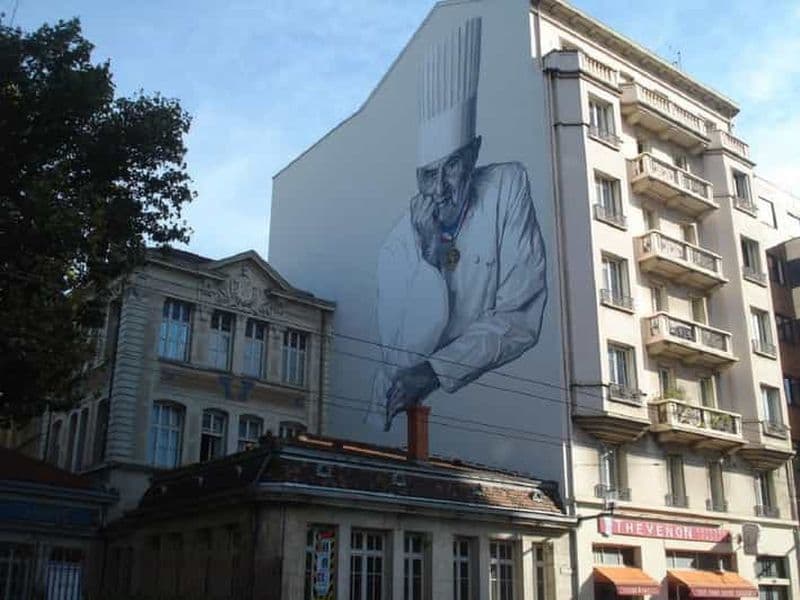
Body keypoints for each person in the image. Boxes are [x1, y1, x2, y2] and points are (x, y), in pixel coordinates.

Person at [374, 16, 548, 430]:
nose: (439, 188)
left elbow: (520, 318)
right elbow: (401, 356)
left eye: (451, 166)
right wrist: (430, 261)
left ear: (474, 155)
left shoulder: (507, 184)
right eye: (426, 175)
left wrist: (436, 371)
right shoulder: (398, 245)